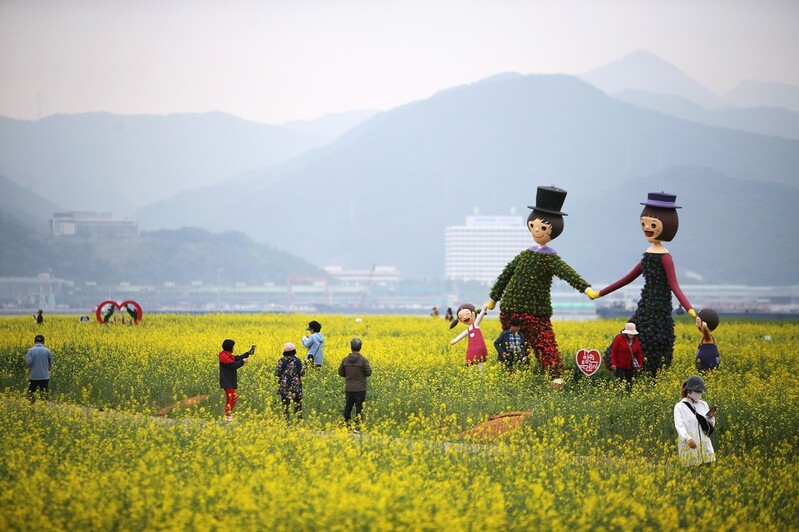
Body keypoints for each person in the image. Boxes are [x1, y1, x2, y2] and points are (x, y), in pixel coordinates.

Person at [488, 186, 595, 388]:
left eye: (543, 228)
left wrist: (585, 288)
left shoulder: (550, 258)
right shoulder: (524, 254)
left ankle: (555, 378)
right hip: (509, 309)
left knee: (544, 343)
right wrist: (494, 298)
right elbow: (506, 275)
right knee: (514, 346)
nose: (537, 231)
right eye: (534, 226)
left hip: (536, 311)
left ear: (554, 231)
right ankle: (515, 377)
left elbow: (567, 272)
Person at [588, 192, 695, 377]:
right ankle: (628, 374)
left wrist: (691, 311)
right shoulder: (649, 255)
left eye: (652, 225)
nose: (647, 228)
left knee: (656, 345)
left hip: (660, 309)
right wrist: (599, 293)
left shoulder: (665, 258)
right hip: (645, 307)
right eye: (644, 224)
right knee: (623, 341)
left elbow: (674, 286)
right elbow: (627, 278)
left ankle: (647, 376)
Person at [674, 375, 717, 467]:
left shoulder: (704, 404)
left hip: (705, 448)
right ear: (689, 390)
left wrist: (710, 418)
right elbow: (679, 426)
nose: (699, 393)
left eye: (701, 391)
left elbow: (709, 427)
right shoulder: (680, 407)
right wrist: (688, 439)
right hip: (690, 448)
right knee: (691, 473)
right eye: (697, 391)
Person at [338, 337, 372, 433]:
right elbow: (368, 372)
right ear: (360, 347)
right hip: (360, 388)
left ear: (351, 347)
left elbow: (341, 372)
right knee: (359, 408)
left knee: (348, 407)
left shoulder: (345, 360)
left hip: (349, 388)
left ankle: (347, 426)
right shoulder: (363, 360)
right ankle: (357, 427)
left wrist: (349, 376)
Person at [218, 339, 254, 423]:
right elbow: (232, 365)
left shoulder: (228, 355)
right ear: (230, 347)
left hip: (229, 380)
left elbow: (237, 358)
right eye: (233, 347)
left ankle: (227, 415)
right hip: (226, 381)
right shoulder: (223, 356)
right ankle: (227, 415)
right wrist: (242, 362)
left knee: (230, 398)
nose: (233, 348)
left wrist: (248, 353)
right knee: (233, 397)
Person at [450, 303, 489, 372]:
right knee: (470, 360)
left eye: (467, 314)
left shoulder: (476, 325)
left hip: (479, 346)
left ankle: (481, 373)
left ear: (473, 314)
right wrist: (455, 340)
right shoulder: (468, 329)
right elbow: (462, 335)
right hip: (471, 347)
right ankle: (470, 373)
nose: (464, 318)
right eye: (461, 317)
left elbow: (479, 317)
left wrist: (483, 310)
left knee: (480, 359)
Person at [608, 322, 644, 392]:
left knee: (629, 383)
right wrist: (613, 363)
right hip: (619, 365)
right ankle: (619, 395)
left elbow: (639, 353)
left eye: (632, 333)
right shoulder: (619, 338)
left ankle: (628, 395)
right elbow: (613, 351)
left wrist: (640, 364)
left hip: (630, 366)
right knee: (620, 381)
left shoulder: (636, 340)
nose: (631, 335)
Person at [275, 342, 305, 421]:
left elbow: (277, 372)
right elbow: (302, 372)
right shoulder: (298, 361)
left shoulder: (281, 361)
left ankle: (286, 420)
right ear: (294, 351)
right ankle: (299, 420)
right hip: (296, 385)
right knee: (297, 404)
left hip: (285, 385)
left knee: (285, 404)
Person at [26, 334, 53, 403]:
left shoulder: (31, 350)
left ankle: (31, 406)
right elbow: (50, 363)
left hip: (33, 376)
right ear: (43, 342)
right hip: (44, 376)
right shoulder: (47, 351)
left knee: (31, 393)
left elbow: (28, 363)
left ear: (35, 341)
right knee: (44, 394)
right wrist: (47, 369)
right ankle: (43, 407)